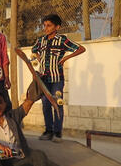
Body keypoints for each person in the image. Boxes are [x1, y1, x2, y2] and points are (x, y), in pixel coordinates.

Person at [31, 13, 85, 141]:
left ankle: (58, 133)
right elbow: (34, 50)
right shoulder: (41, 40)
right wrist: (38, 58)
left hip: (57, 79)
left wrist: (66, 57)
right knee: (45, 104)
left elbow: (81, 49)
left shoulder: (62, 40)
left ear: (57, 27)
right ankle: (48, 131)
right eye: (44, 26)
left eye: (49, 25)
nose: (46, 28)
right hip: (44, 79)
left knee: (57, 103)